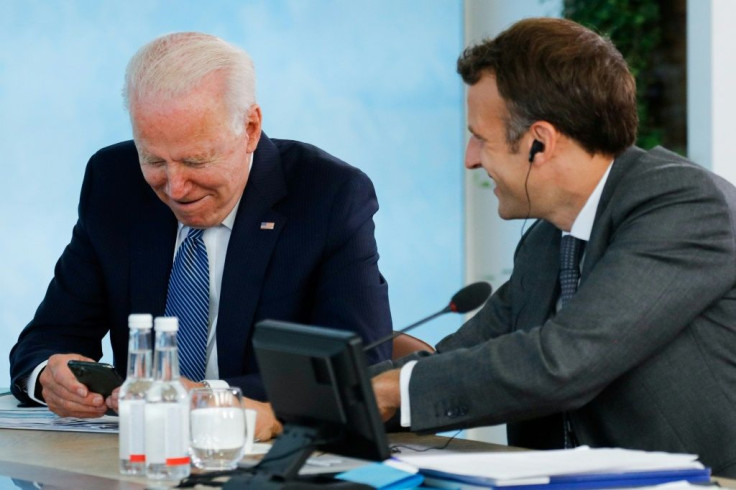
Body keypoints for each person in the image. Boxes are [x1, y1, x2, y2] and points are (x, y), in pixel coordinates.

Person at [372, 17, 736, 476]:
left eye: (480, 138)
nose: (470, 159)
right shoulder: (547, 240)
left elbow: (564, 361)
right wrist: (331, 400)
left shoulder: (684, 206)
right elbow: (462, 357)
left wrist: (389, 392)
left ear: (538, 144)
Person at [10, 32, 392, 440]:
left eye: (195, 160)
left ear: (249, 128)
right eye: (154, 160)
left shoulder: (327, 196)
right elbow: (48, 337)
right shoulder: (114, 180)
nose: (175, 187)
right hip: (134, 461)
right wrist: (49, 376)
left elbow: (362, 372)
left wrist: (208, 399)